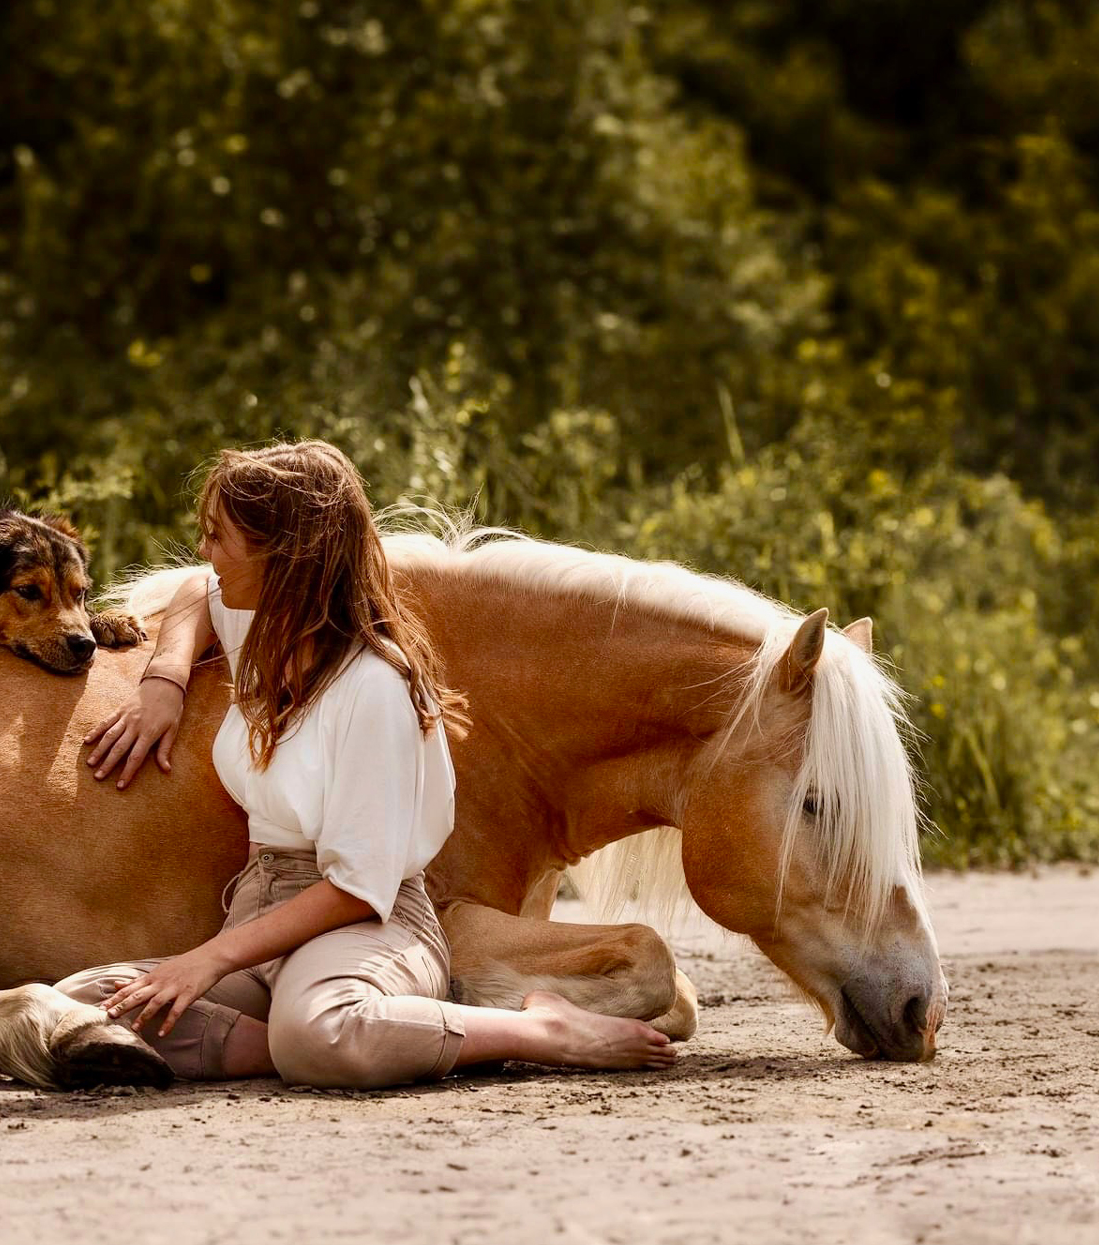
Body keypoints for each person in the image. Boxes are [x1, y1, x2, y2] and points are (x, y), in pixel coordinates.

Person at [56, 440, 677, 1087]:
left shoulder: (374, 684)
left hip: (370, 924)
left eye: (219, 536)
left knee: (320, 1031)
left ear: (284, 556)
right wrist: (165, 679)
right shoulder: (261, 632)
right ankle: (308, 1039)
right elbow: (195, 590)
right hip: (260, 913)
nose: (206, 551)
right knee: (79, 1003)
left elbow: (358, 888)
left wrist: (208, 960)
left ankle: (539, 1029)